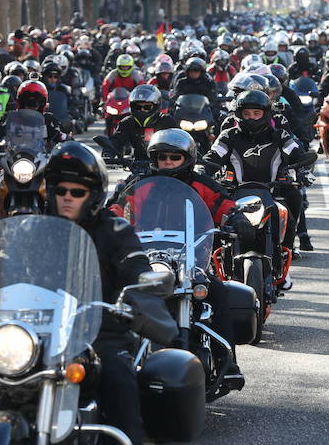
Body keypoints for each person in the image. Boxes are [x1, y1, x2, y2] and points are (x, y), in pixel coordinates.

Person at [110, 129, 250, 384]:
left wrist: (236, 218)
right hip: (145, 256)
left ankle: (228, 360)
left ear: (187, 158)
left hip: (191, 256)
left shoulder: (202, 185)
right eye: (162, 157)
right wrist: (112, 221)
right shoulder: (141, 185)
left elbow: (223, 205)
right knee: (116, 293)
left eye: (174, 157)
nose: (167, 163)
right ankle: (112, 359)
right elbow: (119, 208)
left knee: (215, 291)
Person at [42, 141, 156, 445]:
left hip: (99, 334)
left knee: (119, 380)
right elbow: (3, 267)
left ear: (92, 195)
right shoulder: (35, 228)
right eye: (60, 190)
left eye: (76, 192)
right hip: (39, 334)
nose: (67, 198)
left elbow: (135, 263)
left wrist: (143, 282)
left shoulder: (114, 230)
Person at [203, 90, 314, 263]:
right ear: (238, 114)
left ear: (266, 114)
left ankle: (285, 252)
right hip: (233, 193)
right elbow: (213, 157)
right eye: (246, 114)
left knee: (290, 210)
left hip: (272, 192)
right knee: (213, 219)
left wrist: (302, 164)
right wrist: (201, 170)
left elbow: (296, 152)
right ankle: (213, 260)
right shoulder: (228, 136)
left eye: (256, 113)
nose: (251, 118)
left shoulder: (280, 135)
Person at [99, 85, 179, 161]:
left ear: (156, 106)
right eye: (138, 107)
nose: (142, 110)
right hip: (137, 166)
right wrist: (108, 153)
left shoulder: (168, 121)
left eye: (147, 107)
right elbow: (116, 141)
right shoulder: (127, 123)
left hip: (165, 165)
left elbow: (178, 142)